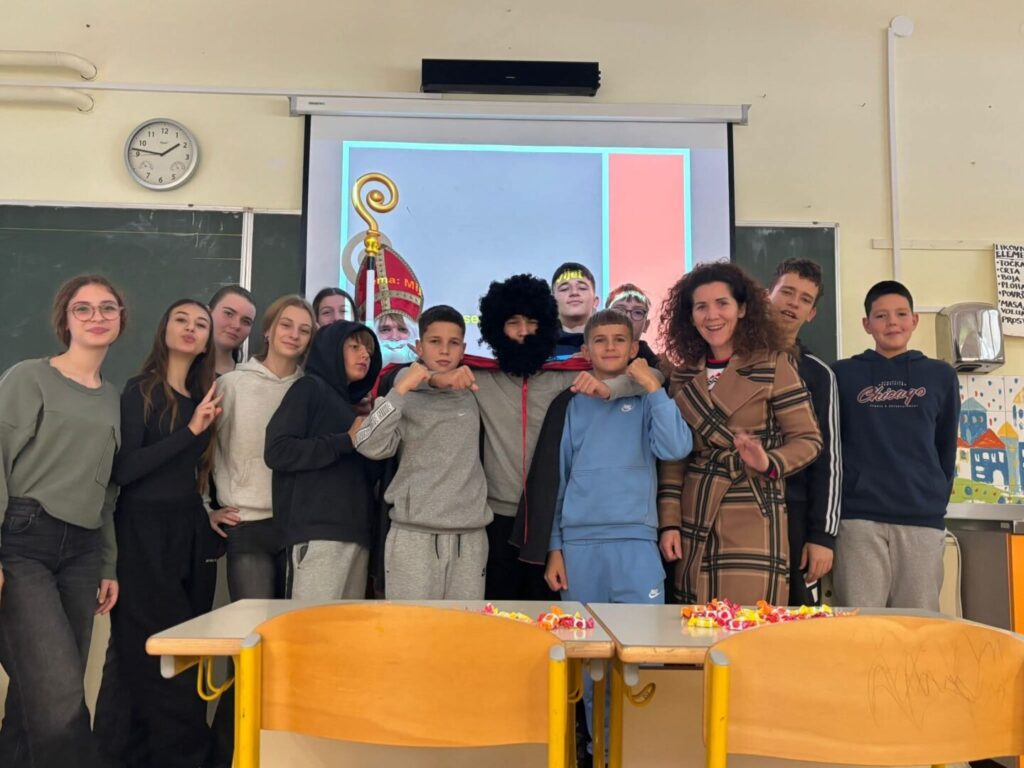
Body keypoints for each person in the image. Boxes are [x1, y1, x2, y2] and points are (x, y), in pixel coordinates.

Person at [429, 274, 655, 601]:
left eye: (532, 322)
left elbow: (648, 374)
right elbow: (408, 375)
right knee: (498, 618)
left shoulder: (569, 375)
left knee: (550, 620)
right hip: (494, 520)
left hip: (550, 520)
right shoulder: (476, 376)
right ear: (496, 328)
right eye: (513, 323)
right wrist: (435, 380)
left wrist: (610, 388)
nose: (524, 331)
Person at [543, 309, 692, 760]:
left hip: (635, 545)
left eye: (619, 340)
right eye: (600, 340)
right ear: (585, 350)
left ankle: (639, 755)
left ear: (633, 348)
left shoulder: (648, 399)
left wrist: (654, 387)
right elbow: (559, 480)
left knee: (642, 658)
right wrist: (555, 547)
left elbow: (676, 447)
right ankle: (601, 753)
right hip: (580, 548)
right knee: (591, 665)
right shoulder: (571, 404)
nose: (610, 347)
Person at [0, 275, 124, 768]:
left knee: (35, 694)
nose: (97, 317)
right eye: (83, 308)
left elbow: (107, 488)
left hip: (83, 551)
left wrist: (108, 564)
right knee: (59, 693)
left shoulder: (113, 397)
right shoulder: (30, 377)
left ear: (120, 320)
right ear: (65, 320)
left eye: (108, 307)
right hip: (24, 542)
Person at [100, 299, 222, 768]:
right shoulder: (141, 391)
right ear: (164, 329)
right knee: (151, 660)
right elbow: (125, 469)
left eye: (201, 324)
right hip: (141, 536)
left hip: (186, 536)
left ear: (208, 341)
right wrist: (189, 431)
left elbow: (188, 475)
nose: (191, 329)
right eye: (181, 320)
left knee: (182, 656)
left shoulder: (204, 398)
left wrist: (205, 515)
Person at [657, 262, 822, 606]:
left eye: (722, 304)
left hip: (753, 507)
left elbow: (808, 440)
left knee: (747, 622)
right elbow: (674, 458)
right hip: (695, 511)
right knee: (696, 624)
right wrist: (669, 523)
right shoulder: (682, 376)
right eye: (701, 307)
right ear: (690, 317)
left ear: (743, 309)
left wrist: (768, 461)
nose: (712, 315)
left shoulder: (774, 364)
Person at [206, 295, 313, 768]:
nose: (294, 335)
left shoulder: (310, 390)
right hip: (247, 527)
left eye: (304, 330)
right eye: (286, 325)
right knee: (251, 647)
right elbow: (203, 451)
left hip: (297, 532)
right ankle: (226, 755)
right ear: (267, 331)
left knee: (288, 651)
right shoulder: (231, 385)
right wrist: (206, 508)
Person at [831, 280, 959, 610]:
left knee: (918, 623)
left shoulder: (941, 375)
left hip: (921, 518)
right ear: (867, 324)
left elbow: (946, 446)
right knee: (860, 622)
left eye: (901, 314)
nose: (892, 323)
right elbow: (831, 445)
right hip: (858, 519)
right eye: (881, 316)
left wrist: (934, 498)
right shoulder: (842, 375)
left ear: (914, 320)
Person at [355, 305, 491, 599]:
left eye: (453, 343)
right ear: (418, 346)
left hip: (470, 536)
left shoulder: (476, 390)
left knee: (464, 626)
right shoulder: (404, 393)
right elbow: (366, 443)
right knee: (411, 626)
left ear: (463, 348)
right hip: (413, 535)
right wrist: (401, 390)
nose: (444, 350)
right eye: (434, 341)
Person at [264, 320, 382, 599]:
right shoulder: (309, 388)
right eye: (354, 347)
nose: (364, 355)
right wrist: (344, 441)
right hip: (316, 534)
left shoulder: (351, 408)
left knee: (343, 626)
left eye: (368, 350)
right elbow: (278, 450)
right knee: (310, 623)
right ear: (331, 350)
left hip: (356, 535)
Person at [766, 259, 841, 604]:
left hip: (793, 511)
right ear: (767, 295)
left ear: (811, 314)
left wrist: (822, 535)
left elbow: (829, 459)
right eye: (787, 292)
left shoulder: (818, 374)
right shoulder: (731, 359)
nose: (793, 303)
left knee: (793, 613)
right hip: (735, 506)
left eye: (805, 299)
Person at [551, 262, 600, 358]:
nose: (574, 292)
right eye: (564, 289)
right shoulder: (539, 346)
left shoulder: (610, 344)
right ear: (552, 301)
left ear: (595, 301)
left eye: (582, 288)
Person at [606, 282, 660, 367]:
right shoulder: (588, 354)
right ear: (604, 319)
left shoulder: (656, 367)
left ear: (646, 326)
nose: (627, 317)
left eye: (637, 312)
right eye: (618, 310)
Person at [208, 285, 256, 376]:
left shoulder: (249, 379)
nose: (236, 326)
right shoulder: (182, 368)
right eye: (229, 314)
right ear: (208, 313)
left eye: (246, 321)